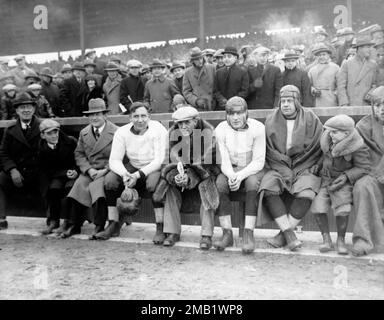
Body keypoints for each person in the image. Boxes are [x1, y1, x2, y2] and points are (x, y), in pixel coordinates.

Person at [258, 85, 323, 251]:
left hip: (305, 164)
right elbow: (269, 149)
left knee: (307, 192)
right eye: (282, 101)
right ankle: (289, 234)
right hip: (278, 166)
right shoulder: (271, 119)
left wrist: (307, 166)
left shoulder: (311, 118)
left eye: (289, 101)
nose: (285, 104)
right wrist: (284, 168)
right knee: (268, 187)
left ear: (297, 101)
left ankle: (283, 234)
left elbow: (317, 146)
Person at [152, 105, 219, 248]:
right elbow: (168, 162)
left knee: (206, 187)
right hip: (182, 172)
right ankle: (172, 232)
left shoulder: (208, 133)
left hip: (203, 174)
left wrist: (189, 177)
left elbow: (206, 164)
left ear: (195, 121)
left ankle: (206, 235)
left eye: (187, 122)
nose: (182, 126)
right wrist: (176, 177)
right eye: (180, 123)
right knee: (169, 187)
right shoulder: (172, 133)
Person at [105, 102, 167, 241]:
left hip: (153, 166)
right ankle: (112, 224)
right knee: (110, 181)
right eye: (136, 116)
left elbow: (159, 160)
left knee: (152, 184)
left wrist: (137, 175)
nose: (140, 120)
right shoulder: (122, 132)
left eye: (143, 116)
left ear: (149, 116)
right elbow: (114, 160)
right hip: (132, 167)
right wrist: (124, 174)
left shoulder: (158, 129)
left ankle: (160, 226)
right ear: (130, 118)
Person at [311, 115, 370, 255]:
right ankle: (326, 239)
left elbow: (364, 167)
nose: (331, 135)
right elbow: (324, 157)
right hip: (326, 181)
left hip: (343, 183)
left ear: (346, 133)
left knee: (343, 209)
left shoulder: (357, 146)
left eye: (335, 132)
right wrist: (317, 166)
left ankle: (341, 240)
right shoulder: (328, 141)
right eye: (330, 131)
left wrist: (346, 177)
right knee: (318, 207)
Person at [214, 97, 266, 253]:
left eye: (239, 113)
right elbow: (223, 159)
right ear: (226, 115)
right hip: (230, 168)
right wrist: (231, 175)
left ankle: (248, 234)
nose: (235, 118)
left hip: (251, 169)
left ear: (246, 113)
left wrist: (240, 176)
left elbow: (258, 161)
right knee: (221, 184)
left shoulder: (258, 128)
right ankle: (227, 234)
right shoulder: (220, 129)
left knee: (251, 184)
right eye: (231, 113)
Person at [63, 98, 118, 238]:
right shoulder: (84, 132)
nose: (94, 117)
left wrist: (104, 170)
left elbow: (120, 155)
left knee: (98, 190)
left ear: (105, 115)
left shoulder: (116, 131)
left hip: (107, 171)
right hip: (90, 171)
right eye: (91, 115)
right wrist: (88, 170)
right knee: (78, 186)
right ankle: (74, 225)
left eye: (98, 114)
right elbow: (79, 154)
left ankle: (99, 225)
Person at [0, 92, 42, 230]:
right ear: (17, 111)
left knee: (51, 180)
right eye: (22, 107)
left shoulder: (43, 126)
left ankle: (53, 219)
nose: (26, 110)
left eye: (29, 107)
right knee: (0, 179)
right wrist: (12, 170)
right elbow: (3, 153)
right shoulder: (10, 130)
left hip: (38, 172)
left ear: (34, 109)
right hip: (18, 173)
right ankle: (1, 218)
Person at [351, 86, 384, 256]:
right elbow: (361, 158)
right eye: (378, 105)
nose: (382, 109)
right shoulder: (363, 126)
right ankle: (364, 240)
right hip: (373, 173)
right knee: (362, 186)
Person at [37, 119, 79, 235]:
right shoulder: (41, 149)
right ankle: (54, 221)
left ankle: (69, 222)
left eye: (55, 132)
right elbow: (45, 170)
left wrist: (75, 171)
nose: (54, 136)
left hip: (73, 174)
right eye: (49, 133)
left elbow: (79, 158)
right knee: (53, 189)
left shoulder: (70, 142)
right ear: (42, 135)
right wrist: (63, 173)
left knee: (69, 190)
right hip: (57, 175)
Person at [337, 36, 379, 106]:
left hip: (367, 103)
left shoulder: (373, 64)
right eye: (368, 47)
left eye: (370, 47)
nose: (370, 50)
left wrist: (372, 92)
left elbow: (375, 84)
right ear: (359, 48)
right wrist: (344, 102)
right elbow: (341, 86)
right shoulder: (347, 63)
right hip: (351, 103)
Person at [308, 43, 340, 107]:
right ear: (316, 57)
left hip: (331, 98)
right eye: (319, 55)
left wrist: (335, 94)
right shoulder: (312, 70)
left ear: (328, 55)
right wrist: (313, 90)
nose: (322, 57)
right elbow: (308, 85)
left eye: (324, 54)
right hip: (317, 99)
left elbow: (340, 85)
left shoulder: (335, 68)